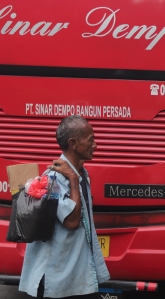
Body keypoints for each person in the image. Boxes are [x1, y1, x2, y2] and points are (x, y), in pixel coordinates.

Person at [19, 115, 110, 298]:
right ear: (73, 143)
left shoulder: (82, 174)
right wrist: (74, 180)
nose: (96, 145)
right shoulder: (55, 179)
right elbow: (72, 222)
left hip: (75, 276)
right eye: (91, 140)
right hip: (56, 280)